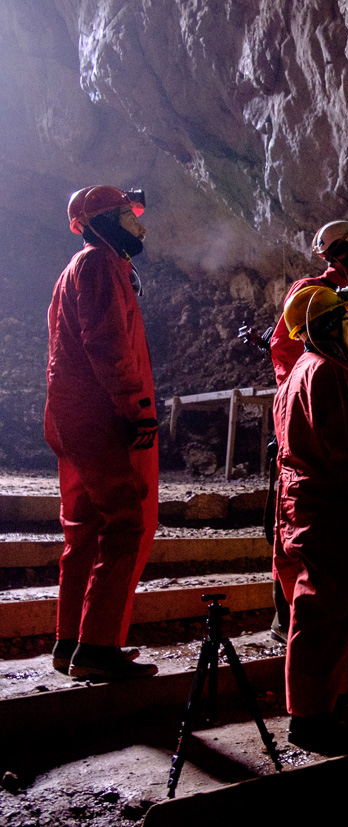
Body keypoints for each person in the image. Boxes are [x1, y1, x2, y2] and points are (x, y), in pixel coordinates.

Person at [45, 185, 159, 681]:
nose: (140, 227)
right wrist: (136, 409)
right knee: (125, 524)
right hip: (98, 419)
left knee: (84, 530)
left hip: (75, 417)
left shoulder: (81, 267)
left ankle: (69, 642)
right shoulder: (98, 265)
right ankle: (95, 649)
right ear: (105, 221)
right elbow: (108, 343)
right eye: (130, 218)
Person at [273, 285, 348, 752]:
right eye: (346, 322)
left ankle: (323, 705)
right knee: (323, 609)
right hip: (328, 504)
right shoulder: (330, 373)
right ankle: (309, 717)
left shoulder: (299, 371)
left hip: (303, 502)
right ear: (326, 326)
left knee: (326, 609)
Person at [269, 220, 348, 641]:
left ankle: (343, 608)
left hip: (346, 419)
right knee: (302, 528)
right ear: (339, 252)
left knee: (342, 526)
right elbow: (285, 349)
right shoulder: (315, 294)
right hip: (316, 426)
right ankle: (288, 615)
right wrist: (299, 415)